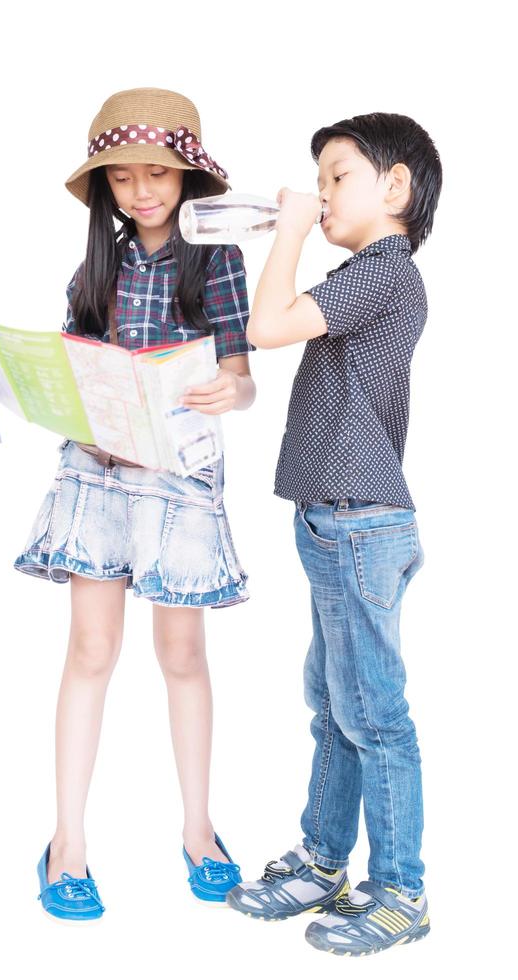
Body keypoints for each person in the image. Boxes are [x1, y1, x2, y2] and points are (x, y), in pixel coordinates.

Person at [14, 87, 256, 920]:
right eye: (124, 178)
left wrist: (233, 388)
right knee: (90, 649)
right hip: (100, 473)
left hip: (179, 472)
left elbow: (242, 373)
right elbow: (80, 371)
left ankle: (198, 831)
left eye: (158, 173)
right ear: (107, 189)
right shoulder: (96, 267)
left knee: (182, 654)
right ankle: (67, 844)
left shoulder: (217, 261)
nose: (143, 190)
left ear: (186, 178)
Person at [225, 112, 441, 957]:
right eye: (316, 184)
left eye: (336, 177)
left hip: (361, 522)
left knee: (374, 715)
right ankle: (323, 859)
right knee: (333, 706)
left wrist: (284, 233)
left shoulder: (387, 273)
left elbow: (266, 327)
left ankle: (401, 892)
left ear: (396, 187)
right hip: (331, 521)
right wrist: (295, 225)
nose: (320, 195)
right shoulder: (362, 275)